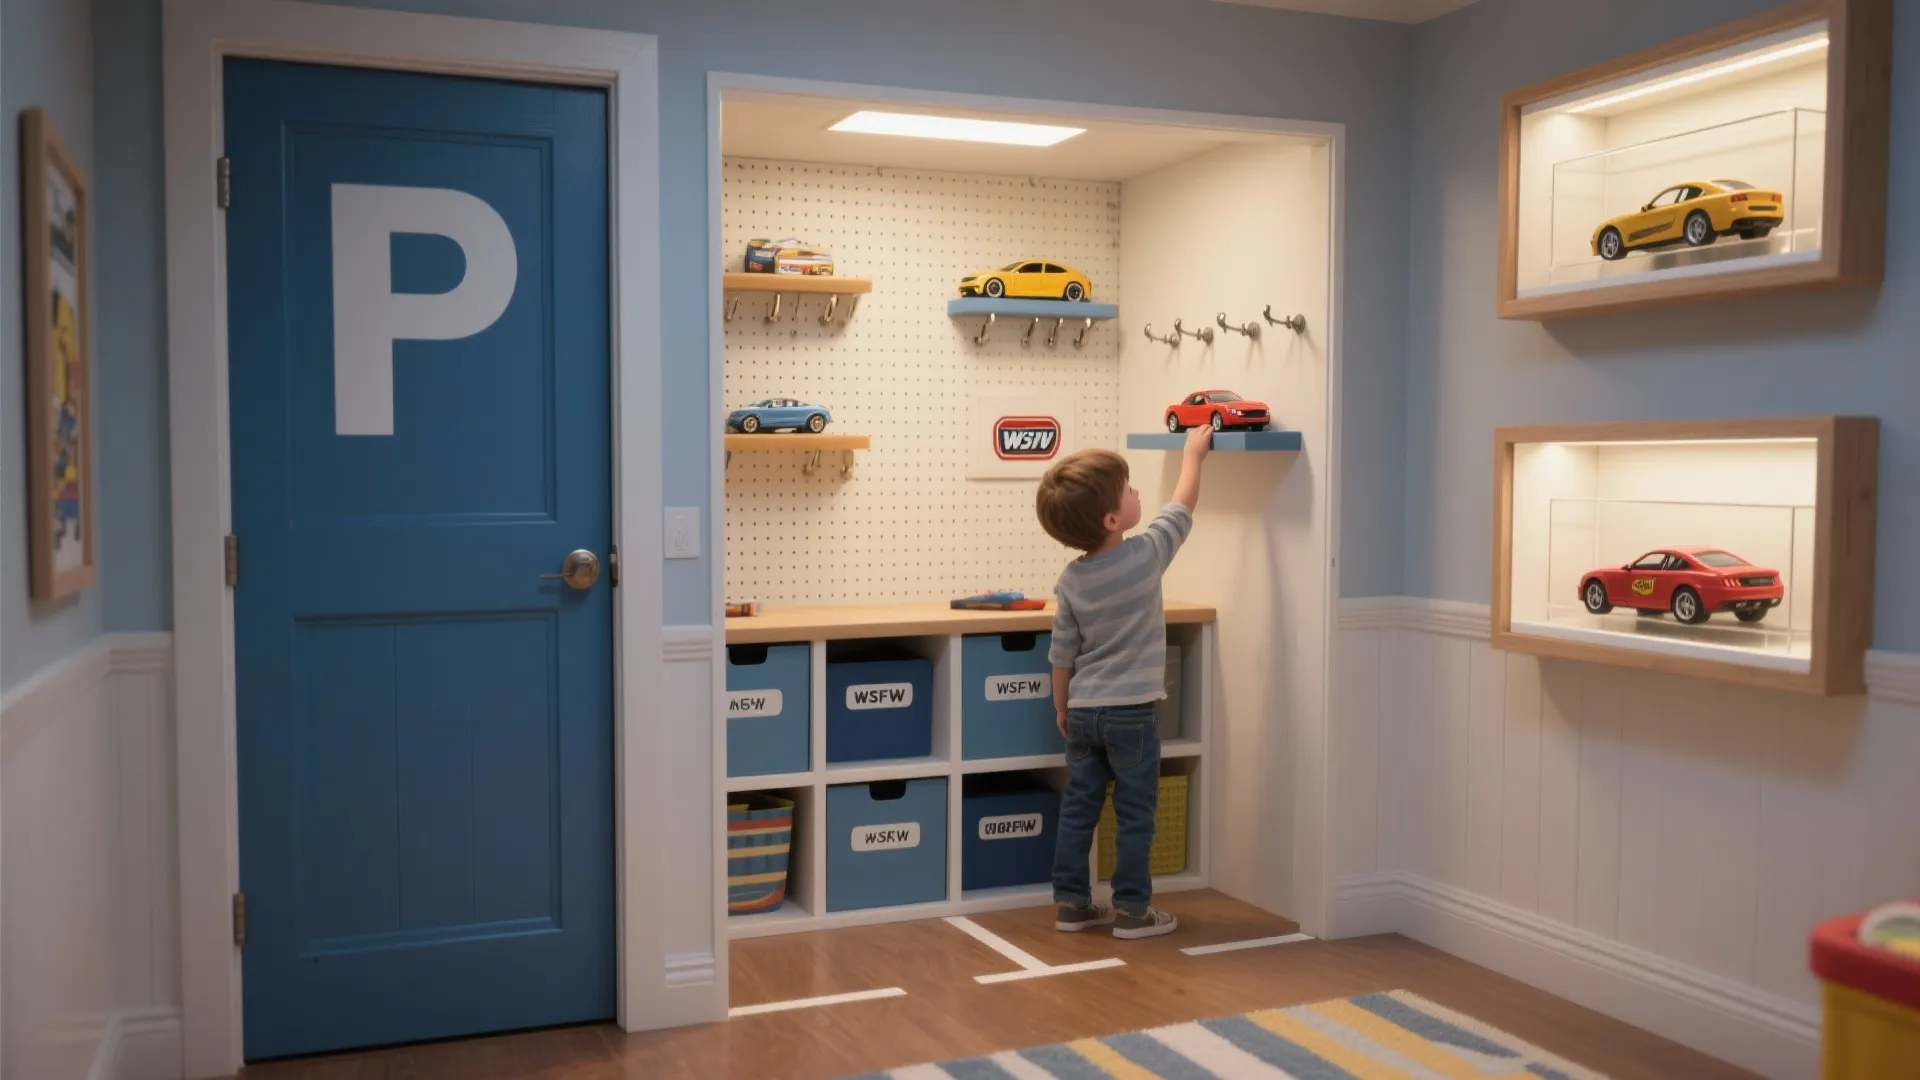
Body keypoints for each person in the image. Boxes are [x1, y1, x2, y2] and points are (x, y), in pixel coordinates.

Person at [1033, 424, 1212, 939]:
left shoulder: (1070, 580)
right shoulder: (1146, 556)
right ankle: (1133, 911)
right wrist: (1193, 455)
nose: (1137, 493)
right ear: (1113, 520)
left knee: (1079, 809)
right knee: (1135, 813)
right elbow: (1182, 505)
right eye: (1129, 490)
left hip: (1084, 714)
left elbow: (1061, 655)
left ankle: (1071, 903)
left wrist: (1061, 708)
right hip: (1133, 713)